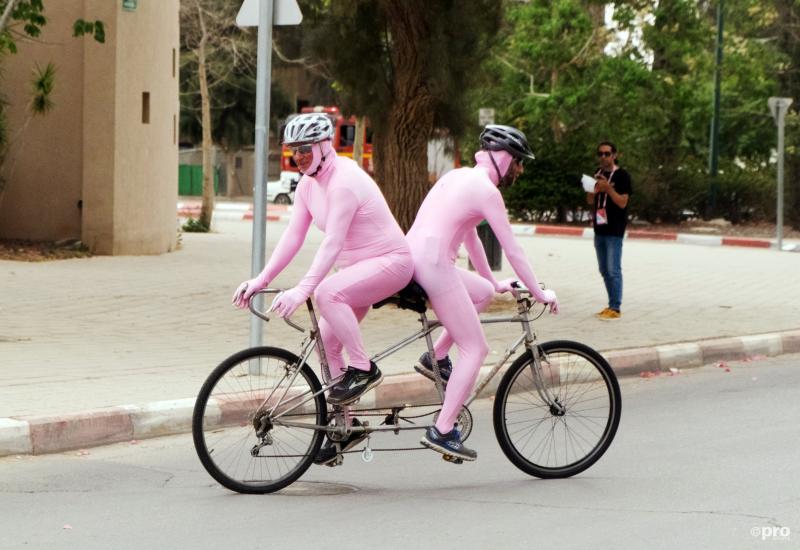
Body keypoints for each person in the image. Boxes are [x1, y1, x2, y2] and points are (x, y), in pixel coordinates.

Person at [232, 113, 413, 464]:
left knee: (327, 292)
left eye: (304, 149)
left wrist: (302, 290)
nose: (299, 157)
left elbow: (331, 244)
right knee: (327, 341)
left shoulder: (344, 181)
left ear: (324, 146)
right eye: (292, 151)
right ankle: (346, 427)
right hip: (359, 269)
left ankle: (364, 368)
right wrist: (261, 280)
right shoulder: (307, 186)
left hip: (392, 263)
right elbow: (293, 237)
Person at [406, 124, 559, 462]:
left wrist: (494, 282)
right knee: (476, 348)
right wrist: (539, 292)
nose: (519, 169)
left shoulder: (458, 176)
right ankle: (443, 429)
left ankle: (436, 356)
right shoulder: (488, 192)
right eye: (517, 161)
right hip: (434, 266)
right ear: (503, 157)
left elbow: (471, 237)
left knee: (483, 293)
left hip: (416, 259)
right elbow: (513, 249)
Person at [587, 141, 633, 321]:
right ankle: (610, 304)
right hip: (600, 227)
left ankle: (616, 307)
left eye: (607, 154)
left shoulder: (622, 176)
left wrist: (609, 189)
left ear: (615, 155)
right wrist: (593, 190)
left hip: (615, 228)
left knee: (613, 269)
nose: (603, 157)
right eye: (600, 154)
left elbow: (622, 202)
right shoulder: (597, 174)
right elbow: (590, 201)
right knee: (604, 269)